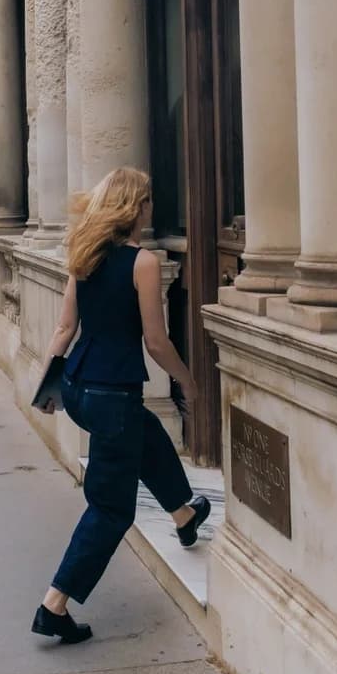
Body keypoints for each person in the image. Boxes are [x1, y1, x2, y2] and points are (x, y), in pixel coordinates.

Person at [32, 166, 211, 647]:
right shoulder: (143, 262)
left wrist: (47, 388)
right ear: (137, 207)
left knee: (145, 431)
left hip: (79, 389)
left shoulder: (84, 256)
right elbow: (155, 341)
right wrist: (187, 380)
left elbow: (64, 329)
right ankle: (55, 605)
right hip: (112, 392)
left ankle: (183, 515)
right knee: (111, 509)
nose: (152, 207)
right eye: (148, 200)